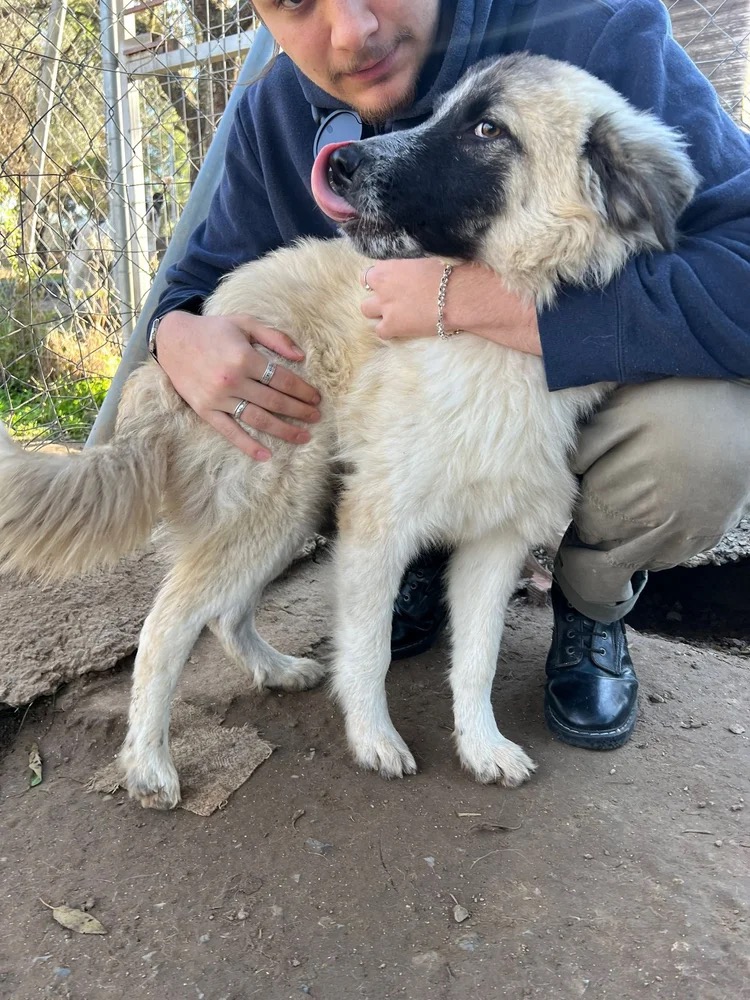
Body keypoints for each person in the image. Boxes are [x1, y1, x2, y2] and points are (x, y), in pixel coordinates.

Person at [148, 0, 750, 751]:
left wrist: (471, 302)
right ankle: (423, 560)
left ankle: (592, 602)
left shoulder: (597, 28)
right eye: (295, 1)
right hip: (409, 425)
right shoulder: (275, 104)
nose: (351, 30)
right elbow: (199, 278)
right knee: (330, 430)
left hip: (584, 404)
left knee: (703, 440)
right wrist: (174, 331)